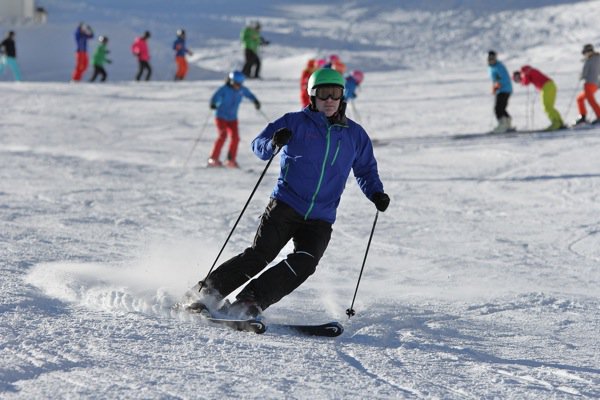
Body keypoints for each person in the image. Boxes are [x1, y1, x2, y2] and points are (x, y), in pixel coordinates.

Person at [188, 68, 390, 319]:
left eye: (335, 93)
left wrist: (376, 193)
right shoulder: (294, 122)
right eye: (323, 93)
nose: (329, 100)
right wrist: (273, 143)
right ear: (312, 96)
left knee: (305, 263)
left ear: (342, 97)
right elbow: (258, 146)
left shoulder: (354, 134)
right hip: (286, 204)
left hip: (321, 216)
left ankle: (251, 300)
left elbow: (366, 170)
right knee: (260, 256)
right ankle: (205, 293)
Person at [207, 70, 261, 168]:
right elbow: (215, 97)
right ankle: (213, 159)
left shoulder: (241, 89)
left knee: (235, 138)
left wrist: (255, 101)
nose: (238, 86)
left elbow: (249, 95)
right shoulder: (224, 89)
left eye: (240, 84)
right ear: (231, 81)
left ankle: (230, 160)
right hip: (221, 117)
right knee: (223, 135)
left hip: (232, 118)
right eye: (236, 83)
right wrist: (213, 103)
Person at [512, 65, 564, 131]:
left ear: (518, 74)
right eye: (516, 81)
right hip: (548, 86)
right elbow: (527, 80)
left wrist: (522, 81)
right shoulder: (525, 71)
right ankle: (559, 122)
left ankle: (556, 123)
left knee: (547, 106)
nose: (518, 81)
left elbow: (526, 81)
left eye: (516, 79)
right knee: (549, 106)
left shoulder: (524, 72)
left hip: (546, 86)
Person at [487, 50, 514, 133]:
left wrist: (497, 86)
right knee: (502, 107)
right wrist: (495, 87)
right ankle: (507, 123)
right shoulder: (492, 67)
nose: (491, 60)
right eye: (489, 58)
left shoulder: (499, 66)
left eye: (493, 58)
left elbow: (504, 78)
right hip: (502, 90)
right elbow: (495, 79)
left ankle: (502, 125)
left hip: (504, 89)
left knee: (498, 108)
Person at [575, 44, 600, 125]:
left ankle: (597, 116)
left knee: (591, 101)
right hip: (596, 85)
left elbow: (584, 73)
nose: (584, 54)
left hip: (589, 84)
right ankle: (583, 116)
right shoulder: (598, 58)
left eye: (584, 53)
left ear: (588, 52)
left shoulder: (589, 60)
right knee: (580, 99)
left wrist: (581, 76)